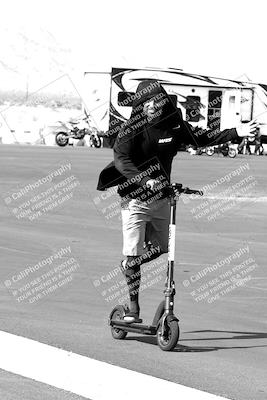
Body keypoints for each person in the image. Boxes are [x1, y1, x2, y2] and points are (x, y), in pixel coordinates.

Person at [97, 80, 258, 323]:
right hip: (134, 200)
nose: (153, 105)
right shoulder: (131, 129)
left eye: (158, 100)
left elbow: (201, 137)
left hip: (162, 199)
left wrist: (237, 132)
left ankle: (129, 264)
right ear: (140, 104)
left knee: (162, 249)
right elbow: (122, 160)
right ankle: (132, 309)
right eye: (148, 102)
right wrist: (145, 180)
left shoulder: (172, 124)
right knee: (134, 252)